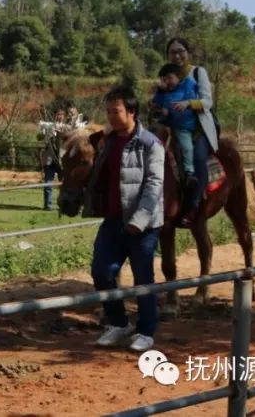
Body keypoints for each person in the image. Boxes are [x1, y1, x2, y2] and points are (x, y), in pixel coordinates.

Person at [86, 84, 164, 353]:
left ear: (132, 112)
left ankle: (146, 331)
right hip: (113, 220)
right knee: (101, 271)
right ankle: (118, 323)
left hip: (143, 224)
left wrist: (140, 219)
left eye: (115, 111)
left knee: (143, 278)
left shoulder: (150, 144)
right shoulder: (107, 141)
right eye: (107, 111)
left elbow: (154, 184)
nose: (110, 116)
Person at [162, 38, 219, 226]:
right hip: (174, 127)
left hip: (198, 128)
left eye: (180, 51)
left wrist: (188, 103)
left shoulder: (197, 72)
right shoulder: (167, 75)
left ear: (187, 52)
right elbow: (163, 98)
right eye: (172, 52)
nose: (177, 55)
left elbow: (207, 102)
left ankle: (193, 206)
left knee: (199, 158)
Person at [151, 62, 201, 224]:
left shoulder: (188, 85)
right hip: (166, 125)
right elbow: (155, 103)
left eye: (170, 78)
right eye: (164, 79)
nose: (168, 82)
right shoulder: (163, 92)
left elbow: (194, 99)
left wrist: (183, 105)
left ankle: (189, 172)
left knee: (186, 146)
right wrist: (158, 105)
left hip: (183, 127)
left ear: (178, 77)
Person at [38, 108, 69, 211]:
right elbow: (39, 137)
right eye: (57, 114)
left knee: (64, 184)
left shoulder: (67, 127)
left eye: (61, 114)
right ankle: (48, 206)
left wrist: (61, 133)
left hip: (62, 160)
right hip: (50, 159)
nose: (59, 116)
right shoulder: (48, 126)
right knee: (48, 183)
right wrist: (44, 133)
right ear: (54, 115)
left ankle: (63, 205)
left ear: (64, 116)